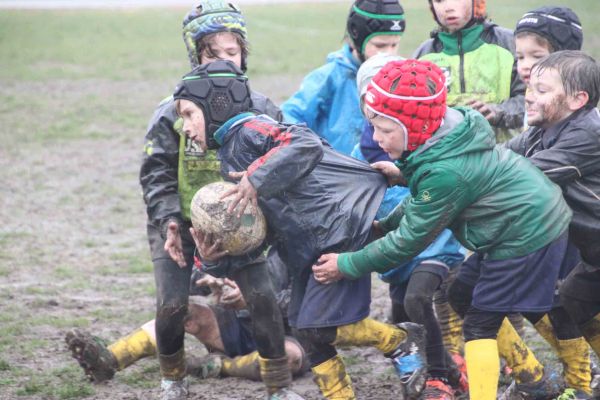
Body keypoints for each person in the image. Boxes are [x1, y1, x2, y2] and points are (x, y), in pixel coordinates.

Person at [312, 58, 573, 400]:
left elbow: (408, 242)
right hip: (515, 224)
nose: (376, 137)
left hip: (525, 232)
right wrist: (387, 215)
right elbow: (427, 196)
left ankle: (503, 390)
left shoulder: (444, 171)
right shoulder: (446, 136)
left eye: (384, 129)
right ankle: (534, 378)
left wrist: (346, 265)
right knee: (460, 295)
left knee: (479, 324)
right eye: (373, 127)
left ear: (413, 127)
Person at [174, 59, 429, 400]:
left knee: (314, 325)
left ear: (215, 104)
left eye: (189, 114)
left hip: (338, 234)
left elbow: (303, 142)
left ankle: (398, 341)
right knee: (308, 332)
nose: (185, 126)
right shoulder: (229, 157)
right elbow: (256, 235)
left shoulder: (251, 129)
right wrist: (214, 259)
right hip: (303, 251)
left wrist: (257, 176)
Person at [105, 2, 282, 399]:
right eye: (211, 53)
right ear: (194, 56)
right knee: (171, 305)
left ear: (244, 54)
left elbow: (279, 169)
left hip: (239, 224)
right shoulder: (172, 111)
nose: (224, 61)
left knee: (263, 298)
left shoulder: (263, 109)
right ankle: (173, 381)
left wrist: (257, 223)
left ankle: (278, 386)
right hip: (178, 225)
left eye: (232, 52)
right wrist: (169, 220)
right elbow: (155, 173)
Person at [351, 53, 467, 400]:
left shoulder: (427, 146)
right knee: (402, 319)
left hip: (433, 244)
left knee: (419, 298)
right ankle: (420, 381)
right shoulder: (361, 150)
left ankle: (443, 372)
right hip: (395, 255)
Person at [499, 9, 593, 400]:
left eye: (537, 59)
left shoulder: (584, 129)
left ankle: (555, 381)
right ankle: (576, 381)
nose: (525, 70)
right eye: (519, 58)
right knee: (571, 300)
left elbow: (519, 176)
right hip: (582, 241)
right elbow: (502, 157)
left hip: (584, 239)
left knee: (565, 299)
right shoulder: (544, 120)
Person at [65, 253, 308, 385]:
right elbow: (190, 275)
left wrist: (256, 299)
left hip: (289, 333)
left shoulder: (304, 247)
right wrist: (212, 278)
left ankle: (214, 366)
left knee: (291, 358)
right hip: (235, 323)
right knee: (179, 312)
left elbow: (308, 303)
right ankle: (109, 360)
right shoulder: (237, 225)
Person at [281, 0, 405, 155]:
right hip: (338, 171)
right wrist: (314, 153)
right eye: (380, 46)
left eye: (394, 45)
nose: (388, 54)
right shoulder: (329, 76)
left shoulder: (399, 78)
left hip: (379, 170)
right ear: (357, 39)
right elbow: (289, 115)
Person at [414, 0, 525, 143]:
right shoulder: (423, 57)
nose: (448, 7)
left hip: (503, 156)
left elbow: (532, 99)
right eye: (439, 1)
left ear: (477, 3)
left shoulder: (510, 45)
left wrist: (499, 112)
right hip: (446, 158)